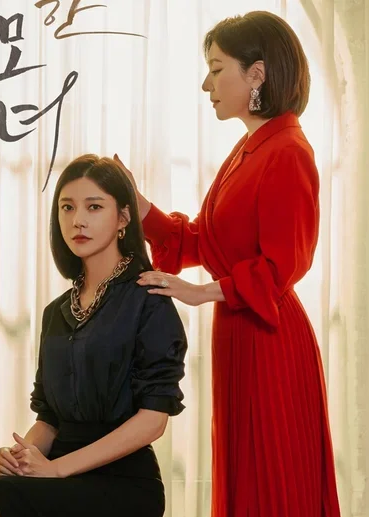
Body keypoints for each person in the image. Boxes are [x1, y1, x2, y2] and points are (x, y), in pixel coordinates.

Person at [114, 11, 341, 517]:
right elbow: (204, 240)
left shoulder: (287, 150)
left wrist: (201, 292)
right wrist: (138, 203)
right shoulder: (251, 148)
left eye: (217, 70)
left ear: (256, 73)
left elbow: (284, 264)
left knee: (272, 477)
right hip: (241, 331)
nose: (206, 84)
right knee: (246, 474)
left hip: (269, 337)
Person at [0, 154, 188, 517]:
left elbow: (154, 420)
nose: (77, 220)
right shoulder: (56, 312)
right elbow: (49, 418)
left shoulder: (148, 299)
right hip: (57, 466)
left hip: (123, 480)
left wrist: (56, 469)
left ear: (123, 218)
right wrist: (22, 456)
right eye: (67, 207)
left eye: (94, 207)